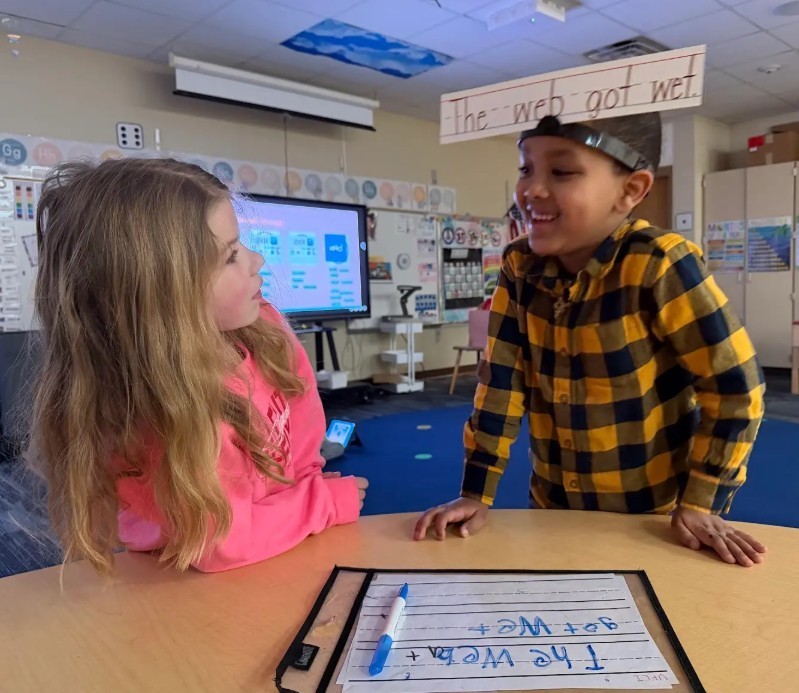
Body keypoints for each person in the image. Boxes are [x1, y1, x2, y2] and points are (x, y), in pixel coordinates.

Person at [415, 113, 767, 567]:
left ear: (632, 190)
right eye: (526, 168)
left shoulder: (660, 264)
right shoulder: (519, 266)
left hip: (652, 515)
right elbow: (501, 385)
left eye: (561, 171)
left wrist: (702, 500)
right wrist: (475, 493)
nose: (531, 189)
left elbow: (736, 388)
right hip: (553, 506)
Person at [28, 157, 367, 574]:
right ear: (164, 297)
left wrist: (304, 491)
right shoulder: (161, 406)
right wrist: (323, 504)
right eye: (230, 257)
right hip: (190, 579)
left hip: (276, 542)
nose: (256, 261)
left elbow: (301, 416)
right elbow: (219, 545)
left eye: (241, 246)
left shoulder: (264, 326)